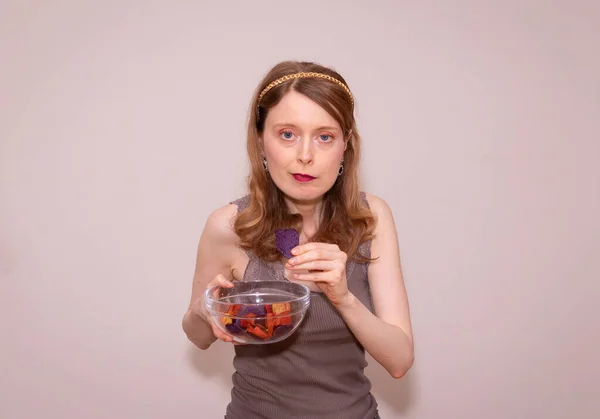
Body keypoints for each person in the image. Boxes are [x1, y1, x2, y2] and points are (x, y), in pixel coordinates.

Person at [181, 60, 414, 419]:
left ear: (345, 147)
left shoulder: (371, 218)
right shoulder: (228, 226)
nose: (305, 155)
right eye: (287, 134)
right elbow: (198, 336)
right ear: (260, 140)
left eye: (325, 136)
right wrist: (203, 309)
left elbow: (399, 361)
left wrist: (343, 297)